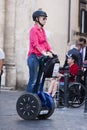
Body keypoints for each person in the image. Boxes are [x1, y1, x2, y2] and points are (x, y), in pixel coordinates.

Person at [26, 9, 55, 93]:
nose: (45, 20)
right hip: (33, 57)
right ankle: (29, 98)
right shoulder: (33, 30)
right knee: (33, 79)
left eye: (46, 18)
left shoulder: (42, 31)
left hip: (41, 57)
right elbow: (35, 44)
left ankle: (35, 99)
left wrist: (53, 52)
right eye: (43, 18)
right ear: (36, 19)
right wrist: (44, 53)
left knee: (39, 80)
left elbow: (46, 43)